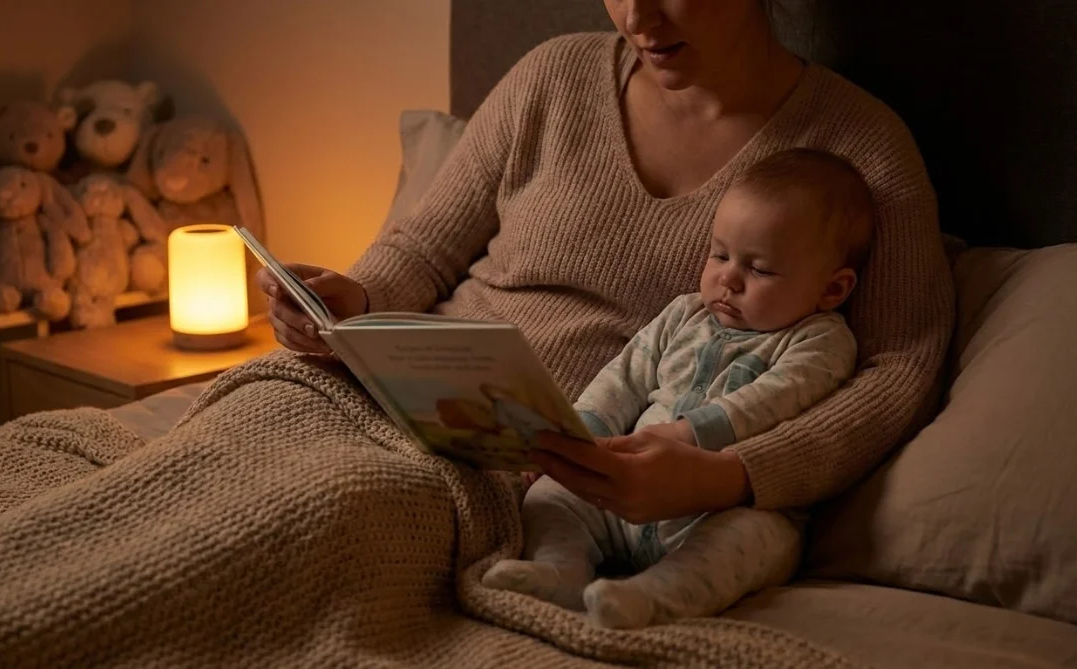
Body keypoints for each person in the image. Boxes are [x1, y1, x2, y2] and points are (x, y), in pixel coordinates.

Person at [259, 0, 952, 547]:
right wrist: (352, 298)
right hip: (389, 402)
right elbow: (424, 251)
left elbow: (899, 373)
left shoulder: (858, 150)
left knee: (298, 531)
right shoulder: (552, 76)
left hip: (534, 480)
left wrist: (732, 475)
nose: (635, 17)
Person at [481, 147, 871, 628]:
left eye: (761, 269)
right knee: (551, 499)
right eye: (720, 254)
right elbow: (623, 379)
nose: (728, 277)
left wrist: (688, 435)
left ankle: (650, 598)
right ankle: (560, 571)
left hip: (718, 509)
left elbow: (776, 399)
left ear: (831, 290)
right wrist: (575, 438)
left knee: (761, 539)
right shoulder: (684, 315)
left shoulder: (821, 340)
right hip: (618, 492)